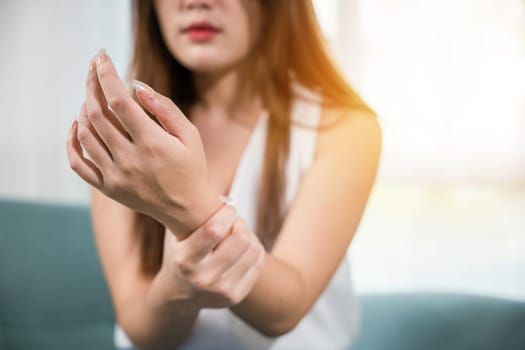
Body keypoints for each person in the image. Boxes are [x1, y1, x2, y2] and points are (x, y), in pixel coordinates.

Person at [66, 0, 381, 349]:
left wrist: (186, 207)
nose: (195, 3)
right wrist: (175, 287)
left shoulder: (345, 127)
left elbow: (285, 310)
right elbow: (141, 329)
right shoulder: (123, 133)